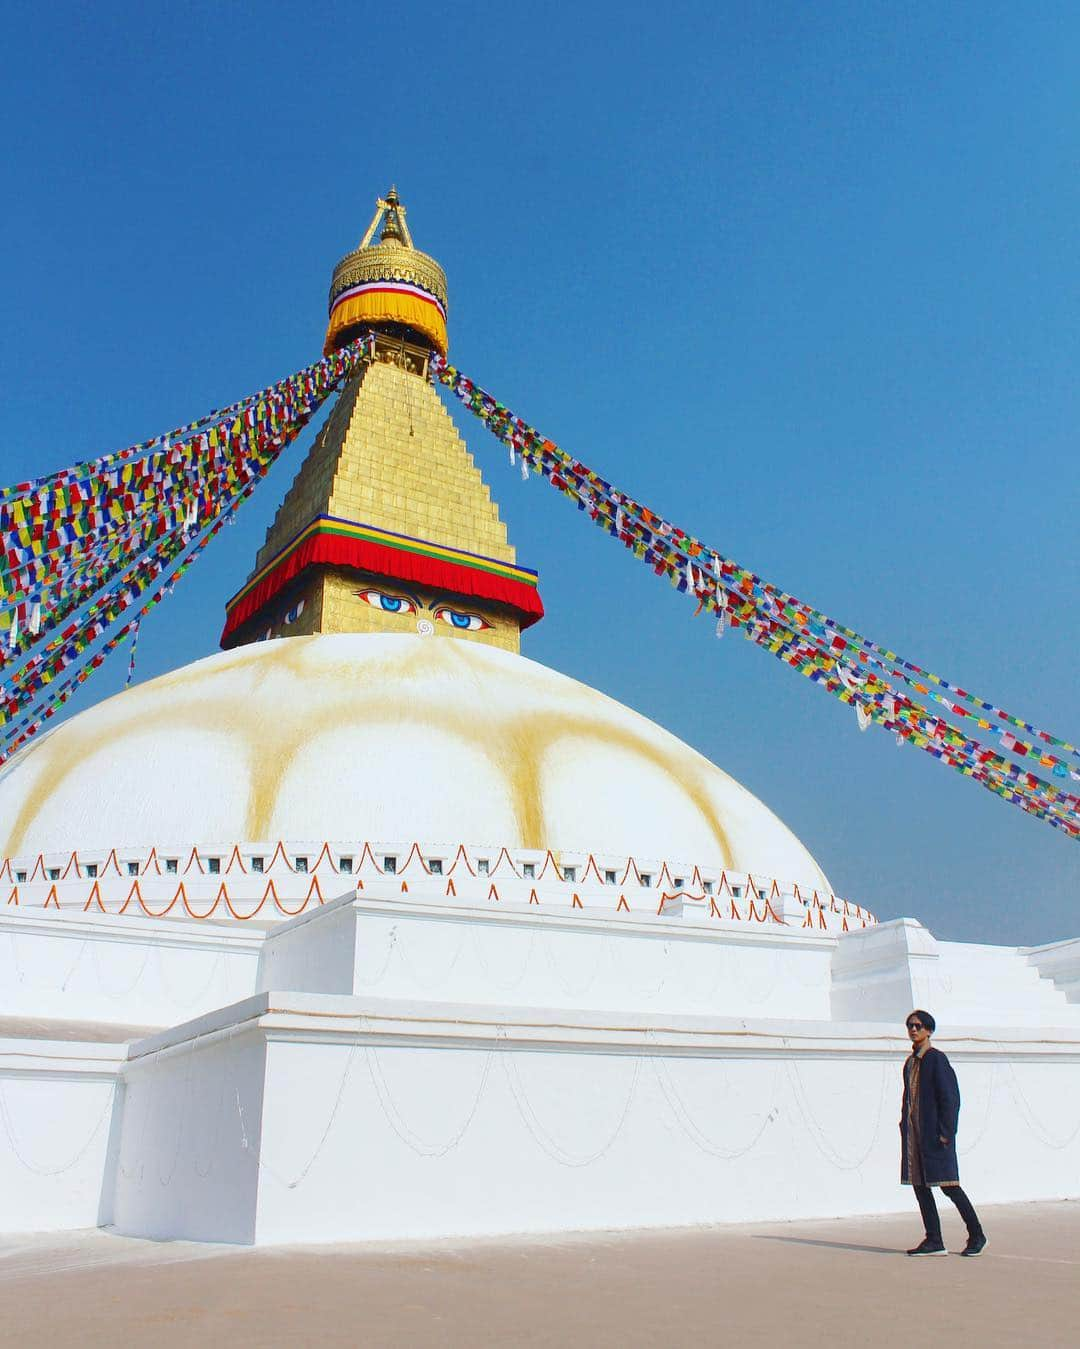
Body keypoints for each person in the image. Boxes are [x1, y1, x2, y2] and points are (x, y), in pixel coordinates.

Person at [900, 1009, 987, 1256]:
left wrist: (946, 1132)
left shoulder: (936, 1059)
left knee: (949, 1186)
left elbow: (950, 1098)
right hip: (914, 1137)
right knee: (920, 1186)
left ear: (929, 1030)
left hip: (936, 1136)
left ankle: (977, 1234)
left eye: (918, 1025)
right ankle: (934, 1239)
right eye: (910, 1026)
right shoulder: (910, 1063)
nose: (913, 1030)